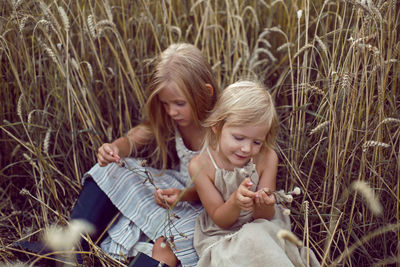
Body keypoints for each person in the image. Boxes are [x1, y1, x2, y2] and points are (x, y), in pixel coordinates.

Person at [70, 43, 218, 267]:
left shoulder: (221, 129)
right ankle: (72, 247)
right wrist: (116, 149)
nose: (171, 111)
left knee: (169, 242)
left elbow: (221, 190)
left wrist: (184, 195)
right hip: (173, 191)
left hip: (206, 206)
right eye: (166, 104)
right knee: (112, 168)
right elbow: (134, 138)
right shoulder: (174, 117)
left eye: (179, 103)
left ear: (206, 93)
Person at [189, 80, 320, 267]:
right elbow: (220, 219)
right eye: (239, 138)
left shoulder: (267, 158)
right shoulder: (200, 166)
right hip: (224, 234)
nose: (246, 148)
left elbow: (264, 217)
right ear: (216, 127)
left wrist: (264, 202)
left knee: (256, 237)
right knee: (244, 247)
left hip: (261, 226)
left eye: (256, 142)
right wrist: (235, 201)